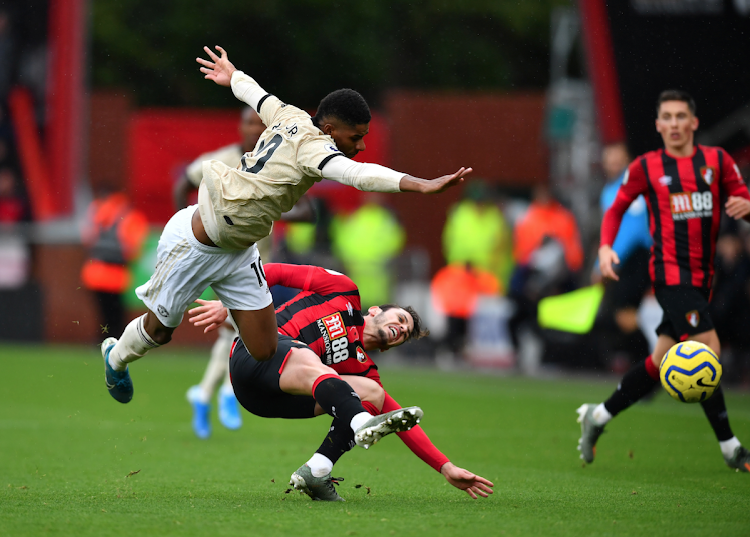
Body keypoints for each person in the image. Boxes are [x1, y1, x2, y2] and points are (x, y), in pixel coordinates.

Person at [100, 44, 471, 409]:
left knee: (263, 350)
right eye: (355, 137)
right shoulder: (315, 150)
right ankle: (115, 357)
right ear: (329, 130)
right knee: (161, 331)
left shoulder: (292, 116)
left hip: (239, 251)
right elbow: (358, 175)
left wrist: (232, 77)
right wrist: (420, 184)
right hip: (198, 243)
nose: (359, 146)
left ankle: (262, 391)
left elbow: (259, 96)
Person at [188, 263, 494, 502]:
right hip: (253, 355)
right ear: (376, 310)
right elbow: (275, 272)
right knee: (315, 364)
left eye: (404, 332)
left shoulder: (363, 368)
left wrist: (446, 467)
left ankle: (317, 471)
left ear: (388, 348)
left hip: (266, 401)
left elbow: (402, 421)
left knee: (372, 393)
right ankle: (361, 422)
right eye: (399, 319)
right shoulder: (343, 290)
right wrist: (229, 304)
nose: (400, 328)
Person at [578, 90, 750, 472]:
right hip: (670, 275)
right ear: (658, 125)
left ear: (693, 122)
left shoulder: (717, 162)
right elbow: (617, 207)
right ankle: (731, 447)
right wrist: (605, 248)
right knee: (707, 346)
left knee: (659, 361)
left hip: (705, 278)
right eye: (666, 117)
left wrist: (747, 205)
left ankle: (599, 416)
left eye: (680, 116)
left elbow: (741, 199)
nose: (673, 124)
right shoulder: (646, 166)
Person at [174, 107, 315, 439]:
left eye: (260, 124)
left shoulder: (280, 163)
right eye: (249, 123)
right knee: (240, 327)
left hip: (255, 263)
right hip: (218, 257)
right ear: (240, 126)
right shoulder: (222, 158)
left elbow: (309, 212)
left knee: (234, 330)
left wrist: (271, 209)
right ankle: (225, 392)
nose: (254, 129)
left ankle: (206, 392)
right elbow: (184, 183)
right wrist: (187, 225)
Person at [592, 143, 653, 372]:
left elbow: (632, 231)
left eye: (618, 159)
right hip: (624, 260)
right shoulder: (610, 189)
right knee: (623, 316)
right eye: (609, 159)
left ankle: (650, 367)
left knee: (625, 315)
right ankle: (645, 366)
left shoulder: (630, 188)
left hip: (636, 258)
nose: (613, 164)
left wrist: (603, 264)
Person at [81, 189, 148, 338]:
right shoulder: (130, 216)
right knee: (116, 314)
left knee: (103, 313)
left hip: (94, 272)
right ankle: (115, 339)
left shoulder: (96, 211)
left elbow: (87, 238)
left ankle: (103, 338)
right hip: (117, 274)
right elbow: (133, 249)